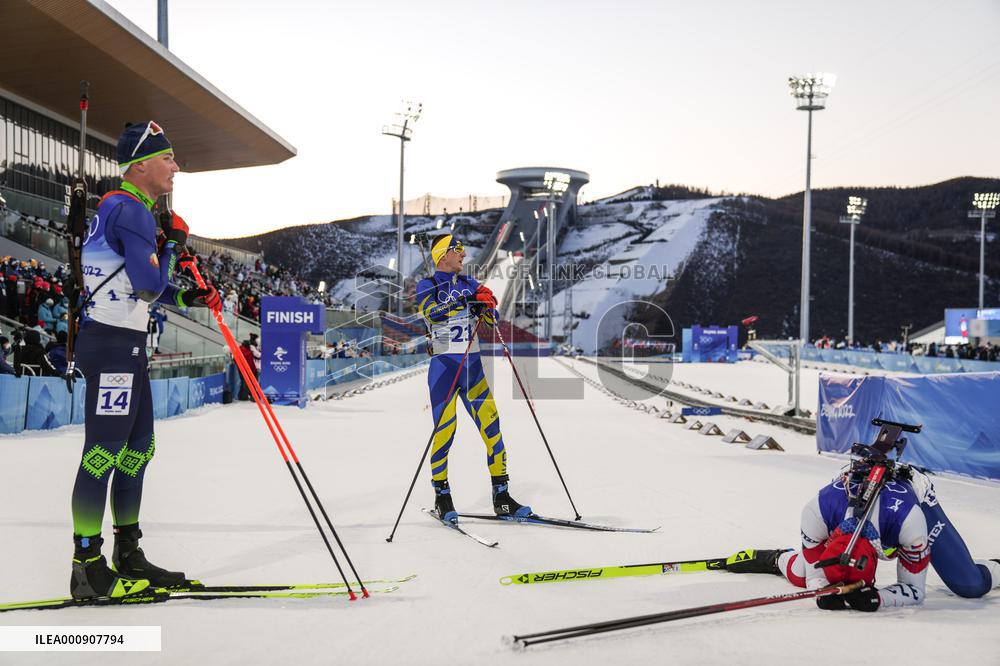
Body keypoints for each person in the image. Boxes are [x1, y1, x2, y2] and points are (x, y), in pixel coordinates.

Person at [69, 121, 222, 600]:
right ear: (140, 164)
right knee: (103, 456)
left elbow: (142, 284)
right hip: (114, 344)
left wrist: (186, 288)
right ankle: (87, 566)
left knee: (138, 450)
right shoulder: (131, 209)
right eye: (167, 158)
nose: (176, 167)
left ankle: (127, 551)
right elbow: (148, 286)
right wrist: (172, 245)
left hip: (124, 342)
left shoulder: (125, 209)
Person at [728, 460, 1000, 611]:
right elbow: (814, 575)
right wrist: (822, 588)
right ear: (829, 539)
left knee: (969, 584)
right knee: (801, 575)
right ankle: (777, 560)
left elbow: (915, 591)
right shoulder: (815, 512)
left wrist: (880, 598)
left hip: (910, 498)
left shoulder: (910, 522)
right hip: (856, 499)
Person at [414, 234, 530, 523]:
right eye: (459, 250)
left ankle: (501, 497)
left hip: (473, 371)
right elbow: (432, 313)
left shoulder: (471, 284)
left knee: (493, 430)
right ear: (444, 255)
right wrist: (468, 302)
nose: (464, 255)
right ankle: (442, 497)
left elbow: (491, 319)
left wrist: (489, 306)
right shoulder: (428, 285)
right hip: (444, 372)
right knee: (444, 434)